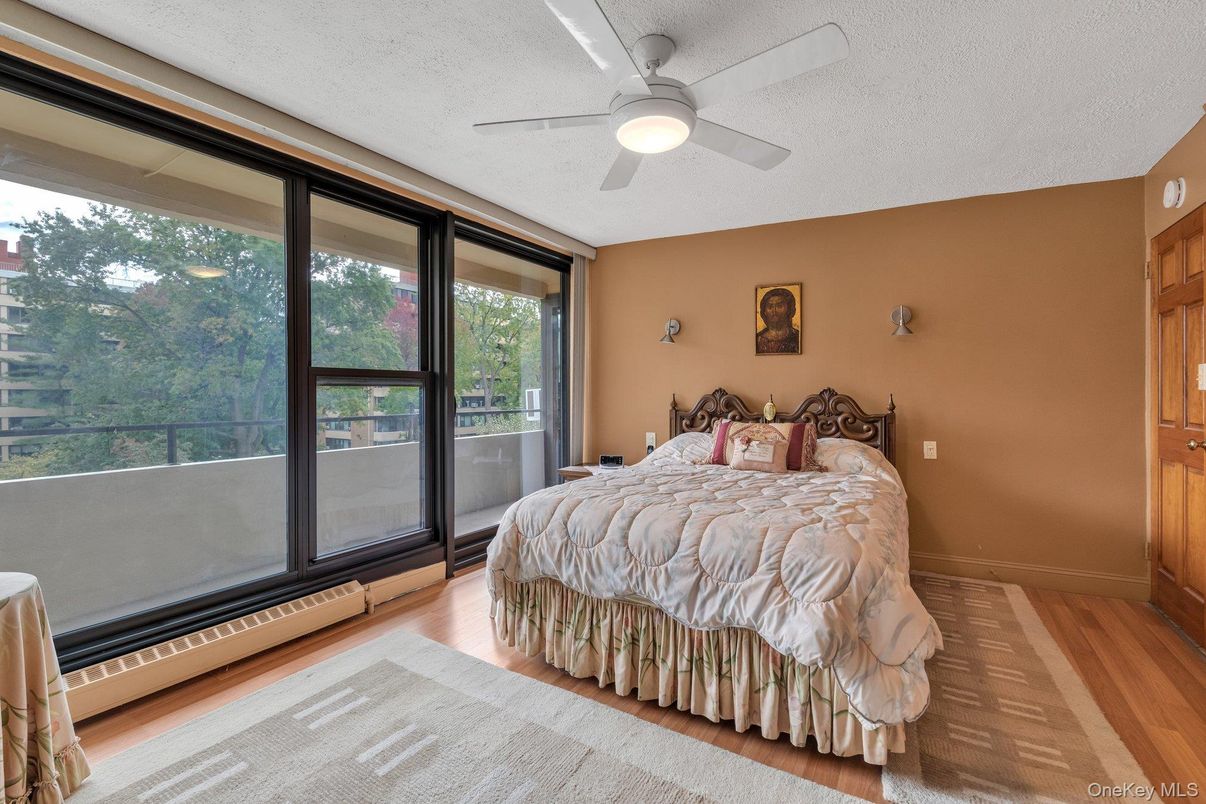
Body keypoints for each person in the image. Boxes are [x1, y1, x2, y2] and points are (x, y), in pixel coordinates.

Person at [756, 287, 799, 354]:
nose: (774, 311)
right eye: (770, 307)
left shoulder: (797, 337)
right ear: (764, 311)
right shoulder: (758, 339)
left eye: (779, 306)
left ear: (789, 309)